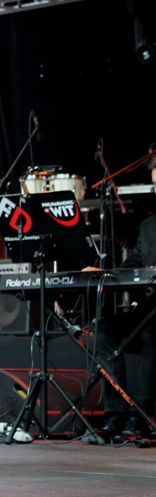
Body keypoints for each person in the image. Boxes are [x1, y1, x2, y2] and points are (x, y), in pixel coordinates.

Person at [85, 156, 156, 443]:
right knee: (105, 331)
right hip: (148, 313)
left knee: (153, 332)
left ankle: (143, 417)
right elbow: (132, 266)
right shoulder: (149, 226)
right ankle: (117, 415)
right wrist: (106, 274)